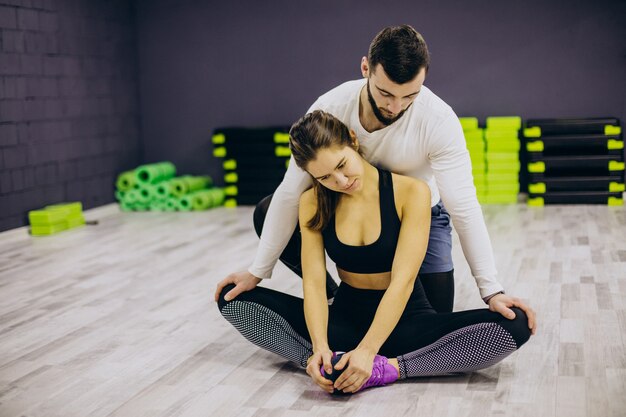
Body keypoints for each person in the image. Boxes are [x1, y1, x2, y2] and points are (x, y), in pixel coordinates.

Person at [214, 24, 536, 336]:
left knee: (432, 321)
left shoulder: (438, 121)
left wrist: (491, 290)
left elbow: (464, 207)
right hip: (349, 209)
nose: (395, 107)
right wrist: (258, 271)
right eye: (385, 93)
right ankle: (334, 296)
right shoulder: (332, 107)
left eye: (409, 95)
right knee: (268, 209)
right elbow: (289, 192)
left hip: (419, 215)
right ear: (366, 68)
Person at [217, 111, 532, 394]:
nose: (340, 181)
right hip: (345, 315)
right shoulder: (312, 201)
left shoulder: (411, 192)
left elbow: (403, 282)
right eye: (324, 177)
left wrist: (368, 352)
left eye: (341, 165)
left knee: (515, 323)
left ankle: (390, 368)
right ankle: (326, 361)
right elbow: (313, 282)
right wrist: (319, 347)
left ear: (352, 141)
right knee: (231, 299)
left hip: (404, 317)